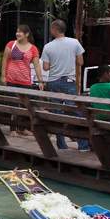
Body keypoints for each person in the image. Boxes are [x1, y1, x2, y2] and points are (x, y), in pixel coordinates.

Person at [40, 20, 87, 151]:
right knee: (75, 112)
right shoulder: (74, 42)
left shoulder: (48, 46)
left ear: (54, 29)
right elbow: (80, 62)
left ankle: (61, 144)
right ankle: (83, 144)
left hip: (54, 82)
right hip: (69, 81)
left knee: (57, 112)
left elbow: (46, 66)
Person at [3, 25, 42, 135]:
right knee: (13, 105)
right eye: (17, 31)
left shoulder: (33, 48)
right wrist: (3, 76)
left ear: (27, 34)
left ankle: (22, 128)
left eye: (20, 32)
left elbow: (37, 65)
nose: (17, 33)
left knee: (26, 105)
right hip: (11, 80)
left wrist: (40, 80)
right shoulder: (11, 44)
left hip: (25, 81)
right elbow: (5, 60)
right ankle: (13, 129)